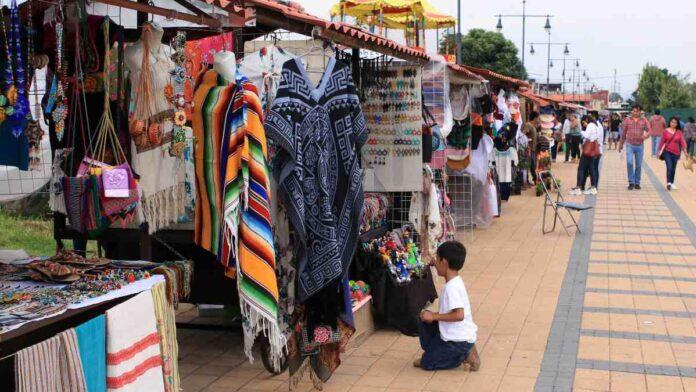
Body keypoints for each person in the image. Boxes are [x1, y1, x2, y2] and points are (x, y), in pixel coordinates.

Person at [415, 241, 480, 371]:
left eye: (437, 259)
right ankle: (454, 349)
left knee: (427, 363)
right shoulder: (455, 280)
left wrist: (434, 316)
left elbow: (459, 315)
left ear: (444, 262)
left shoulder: (452, 288)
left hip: (457, 341)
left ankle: (464, 354)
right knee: (423, 318)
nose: (435, 262)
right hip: (457, 334)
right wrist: (434, 263)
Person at [620, 105, 650, 190]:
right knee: (629, 162)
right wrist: (621, 143)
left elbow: (649, 130)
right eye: (633, 111)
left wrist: (646, 135)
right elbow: (623, 132)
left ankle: (637, 182)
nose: (634, 112)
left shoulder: (644, 120)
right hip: (630, 144)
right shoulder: (627, 120)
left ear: (640, 112)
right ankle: (631, 182)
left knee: (639, 164)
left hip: (640, 145)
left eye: (636, 111)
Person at [570, 114, 600, 195]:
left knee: (581, 168)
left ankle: (578, 188)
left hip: (588, 149)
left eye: (583, 123)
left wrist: (581, 131)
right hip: (593, 149)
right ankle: (593, 187)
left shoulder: (590, 125)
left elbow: (587, 135)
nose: (584, 125)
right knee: (591, 168)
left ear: (586, 119)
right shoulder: (596, 125)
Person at [658, 117, 687, 190]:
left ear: (677, 124)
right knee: (669, 167)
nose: (673, 124)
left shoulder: (679, 132)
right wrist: (659, 151)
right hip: (667, 152)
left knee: (673, 169)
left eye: (675, 123)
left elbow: (682, 142)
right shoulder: (665, 131)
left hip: (676, 153)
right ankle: (668, 183)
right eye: (672, 122)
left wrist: (685, 151)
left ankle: (672, 182)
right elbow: (662, 141)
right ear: (669, 122)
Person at [523, 112, 540, 183]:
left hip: (533, 149)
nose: (538, 119)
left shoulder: (533, 126)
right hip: (529, 149)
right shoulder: (528, 125)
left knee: (532, 165)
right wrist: (527, 142)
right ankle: (533, 179)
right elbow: (523, 134)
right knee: (530, 165)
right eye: (538, 118)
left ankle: (533, 179)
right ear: (535, 118)